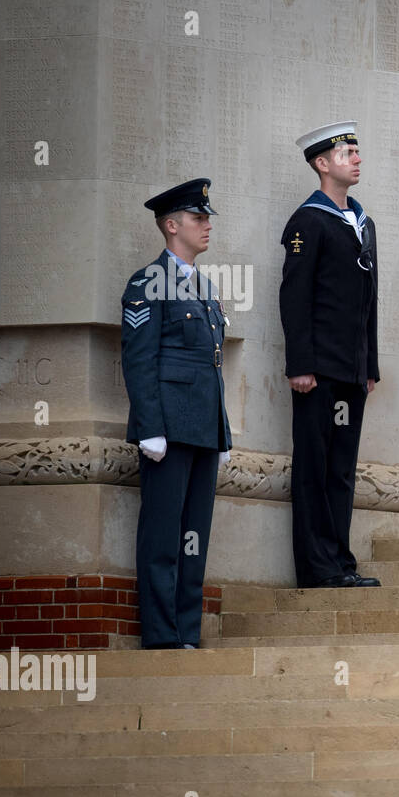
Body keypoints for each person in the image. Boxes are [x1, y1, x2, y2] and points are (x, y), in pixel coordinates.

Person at [121, 179, 232, 649]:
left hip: (203, 429)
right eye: (197, 218)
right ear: (172, 225)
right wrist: (150, 428)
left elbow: (212, 364)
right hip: (167, 429)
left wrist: (221, 434)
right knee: (164, 536)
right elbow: (139, 360)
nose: (206, 226)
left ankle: (186, 631)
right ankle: (162, 635)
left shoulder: (204, 288)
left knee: (194, 536)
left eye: (206, 218)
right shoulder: (148, 282)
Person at [279, 121, 381, 589]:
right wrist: (300, 364)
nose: (356, 158)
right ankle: (317, 567)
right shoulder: (309, 221)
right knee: (314, 468)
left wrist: (370, 365)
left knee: (341, 469)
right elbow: (294, 297)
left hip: (351, 371)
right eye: (347, 153)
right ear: (322, 164)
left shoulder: (362, 221)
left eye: (358, 151)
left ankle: (341, 560)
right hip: (318, 371)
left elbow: (370, 300)